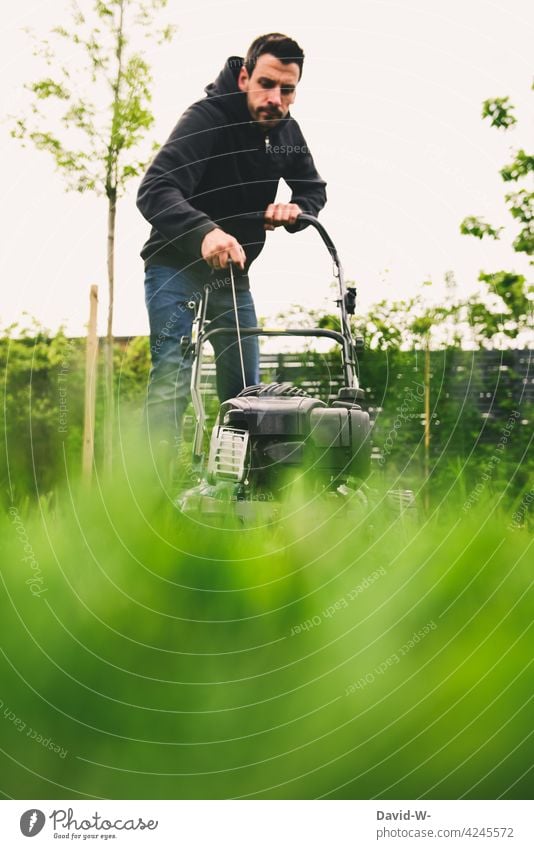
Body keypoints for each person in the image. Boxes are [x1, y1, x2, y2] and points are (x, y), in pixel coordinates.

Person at [137, 32, 327, 455]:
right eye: (266, 84)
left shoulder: (286, 133)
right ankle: (153, 492)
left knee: (246, 392)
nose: (275, 98)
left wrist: (295, 208)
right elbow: (155, 189)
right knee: (172, 376)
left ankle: (236, 492)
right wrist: (205, 231)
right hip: (174, 263)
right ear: (244, 77)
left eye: (287, 89)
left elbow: (314, 188)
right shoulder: (206, 118)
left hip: (233, 275)